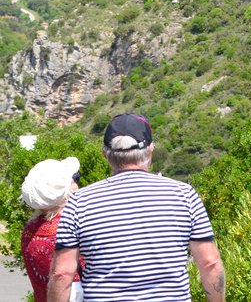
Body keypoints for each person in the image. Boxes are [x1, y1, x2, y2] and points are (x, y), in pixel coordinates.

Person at [48, 113, 225, 302]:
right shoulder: (184, 195)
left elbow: (61, 273)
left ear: (105, 154)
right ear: (150, 150)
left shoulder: (79, 202)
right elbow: (210, 263)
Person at [20, 157, 83, 302]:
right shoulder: (73, 229)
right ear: (66, 191)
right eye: (75, 178)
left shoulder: (29, 232)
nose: (77, 182)